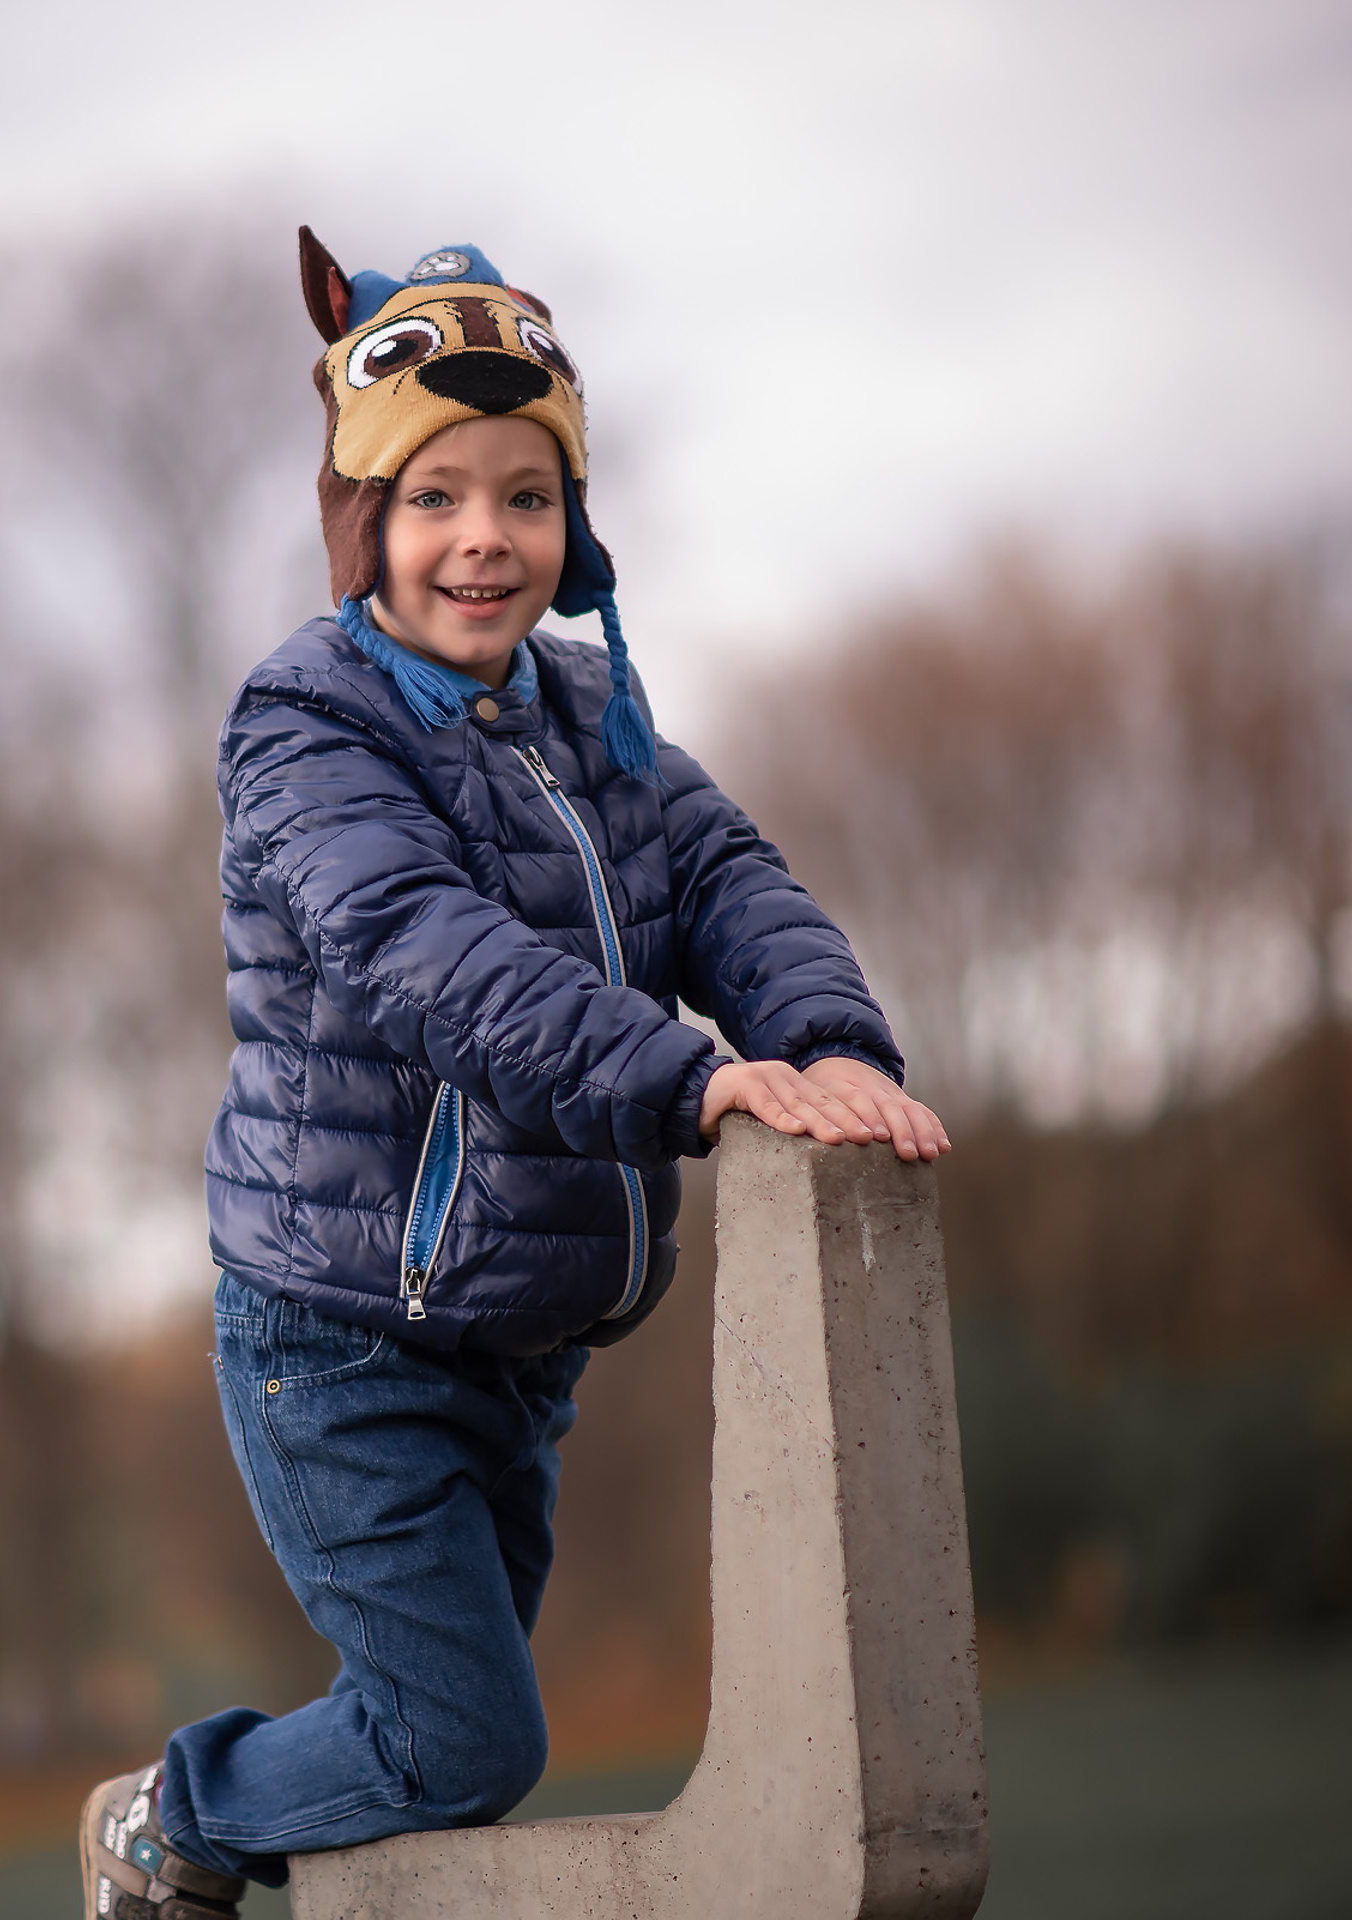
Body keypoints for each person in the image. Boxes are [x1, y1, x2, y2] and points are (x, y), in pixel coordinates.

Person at [79, 230, 949, 1920]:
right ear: (363, 528)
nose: (485, 536)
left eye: (528, 497)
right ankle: (170, 1822)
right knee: (462, 1742)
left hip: (518, 1348)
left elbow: (727, 885)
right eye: (435, 498)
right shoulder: (302, 729)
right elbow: (426, 958)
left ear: (574, 526)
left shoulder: (593, 719)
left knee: (435, 1776)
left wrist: (828, 1045)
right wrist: (694, 1084)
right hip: (339, 1336)